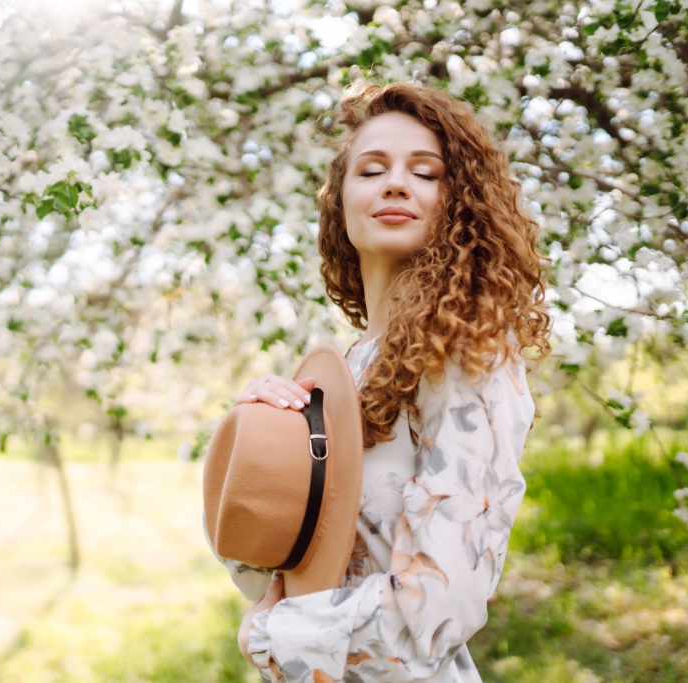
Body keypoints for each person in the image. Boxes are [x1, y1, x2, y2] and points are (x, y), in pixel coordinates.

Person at [220, 81, 552, 682]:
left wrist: (271, 637)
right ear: (339, 201)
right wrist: (257, 455)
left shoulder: (466, 356)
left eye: (426, 173)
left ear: (460, 204)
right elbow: (278, 570)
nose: (396, 183)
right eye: (372, 169)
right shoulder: (344, 369)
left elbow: (437, 607)